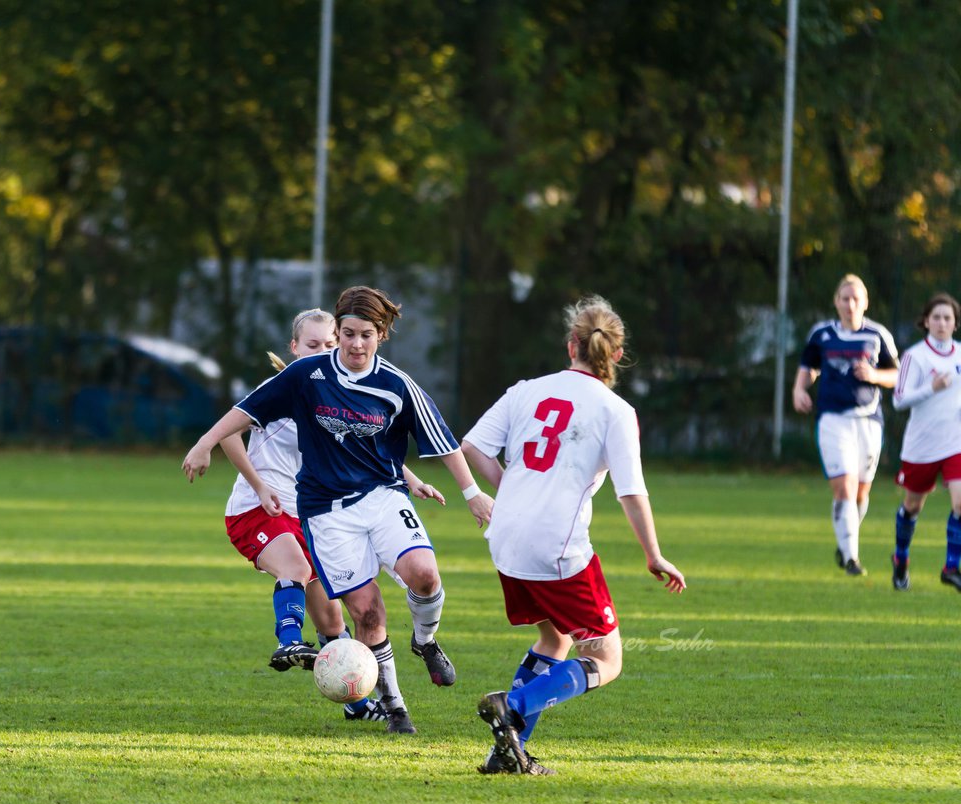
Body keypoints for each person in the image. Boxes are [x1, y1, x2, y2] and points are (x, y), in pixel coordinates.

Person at [184, 286, 494, 735]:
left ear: (381, 334)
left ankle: (424, 641)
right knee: (364, 613)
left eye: (363, 335)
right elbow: (244, 412)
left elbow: (442, 441)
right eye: (346, 334)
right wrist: (204, 442)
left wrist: (471, 493)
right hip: (325, 513)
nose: (353, 344)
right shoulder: (306, 377)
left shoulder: (397, 384)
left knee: (424, 573)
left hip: (382, 497)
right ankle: (395, 709)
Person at [461, 296, 686, 775]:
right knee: (606, 657)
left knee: (555, 638)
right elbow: (631, 492)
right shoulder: (616, 410)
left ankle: (505, 756)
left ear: (571, 347)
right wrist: (654, 555)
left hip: (505, 539)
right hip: (555, 548)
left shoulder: (527, 389)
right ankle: (514, 708)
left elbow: (472, 447)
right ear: (617, 355)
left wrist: (512, 490)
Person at [218, 307, 441, 723]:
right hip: (257, 510)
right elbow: (228, 431)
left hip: (314, 517)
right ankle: (288, 640)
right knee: (297, 568)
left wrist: (410, 480)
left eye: (329, 344)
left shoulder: (335, 391)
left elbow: (366, 448)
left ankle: (359, 704)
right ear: (294, 347)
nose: (322, 350)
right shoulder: (282, 388)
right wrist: (259, 484)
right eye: (312, 344)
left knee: (333, 619)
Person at [793, 274, 900, 576]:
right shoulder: (822, 334)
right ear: (836, 302)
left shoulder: (878, 335)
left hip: (868, 421)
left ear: (865, 303)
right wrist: (799, 390)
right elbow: (808, 367)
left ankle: (844, 543)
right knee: (844, 488)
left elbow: (897, 375)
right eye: (845, 298)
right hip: (833, 419)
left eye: (856, 298)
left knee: (861, 494)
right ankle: (851, 556)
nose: (850, 304)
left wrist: (875, 376)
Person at [888, 293, 961, 592]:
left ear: (955, 324)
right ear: (926, 321)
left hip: (955, 441)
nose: (942, 323)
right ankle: (900, 558)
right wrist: (931, 387)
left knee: (960, 502)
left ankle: (951, 567)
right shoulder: (915, 356)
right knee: (912, 506)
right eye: (937, 317)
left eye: (948, 318)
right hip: (922, 446)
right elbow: (899, 400)